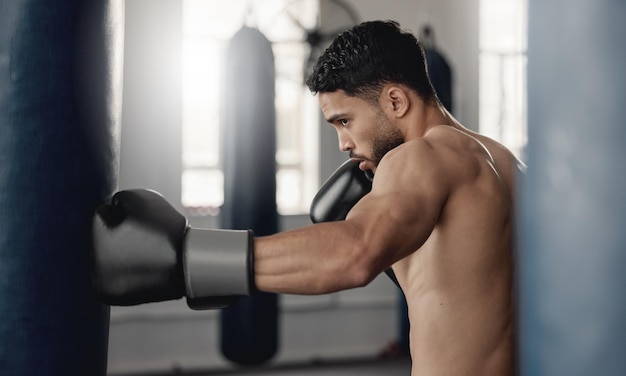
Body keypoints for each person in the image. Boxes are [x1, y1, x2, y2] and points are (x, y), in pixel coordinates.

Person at [90, 20, 523, 376]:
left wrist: (188, 259)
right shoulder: (503, 165)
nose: (343, 144)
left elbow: (355, 254)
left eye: (345, 121)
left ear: (395, 100)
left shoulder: (420, 159)